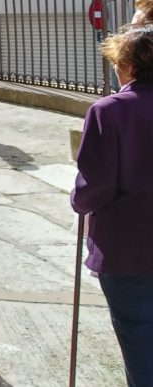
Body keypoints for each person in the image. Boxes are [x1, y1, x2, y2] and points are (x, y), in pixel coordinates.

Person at [72, 25, 153, 386]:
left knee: (138, 337)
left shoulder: (110, 111)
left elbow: (95, 185)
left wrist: (78, 200)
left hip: (128, 246)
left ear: (130, 65)